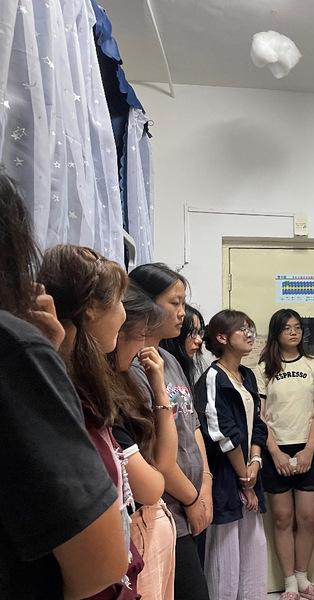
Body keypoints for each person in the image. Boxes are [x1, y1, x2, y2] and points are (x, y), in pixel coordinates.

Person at [0, 167, 128, 599]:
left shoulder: (46, 358)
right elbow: (103, 561)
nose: (126, 314)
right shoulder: (16, 349)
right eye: (120, 301)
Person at [38, 244, 144, 599]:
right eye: (119, 302)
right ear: (92, 310)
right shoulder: (62, 401)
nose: (124, 315)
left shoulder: (84, 391)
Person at [128, 263, 213, 600]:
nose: (182, 313)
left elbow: (192, 425)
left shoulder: (168, 358)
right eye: (174, 303)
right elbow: (153, 454)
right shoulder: (133, 368)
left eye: (183, 303)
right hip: (166, 512)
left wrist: (205, 483)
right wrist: (191, 498)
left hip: (193, 503)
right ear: (144, 304)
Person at [256, 308, 314, 600]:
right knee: (282, 518)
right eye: (287, 327)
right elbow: (260, 416)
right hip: (276, 449)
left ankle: (303, 579)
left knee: (308, 517)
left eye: (298, 327)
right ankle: (289, 584)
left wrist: (309, 449)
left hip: (308, 448)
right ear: (276, 332)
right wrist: (274, 451)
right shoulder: (264, 367)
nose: (293, 332)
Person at [194, 309, 269, 600]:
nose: (250, 335)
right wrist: (244, 479)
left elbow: (258, 424)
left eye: (251, 329)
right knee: (224, 558)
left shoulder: (247, 375)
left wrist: (255, 463)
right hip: (226, 477)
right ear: (222, 338)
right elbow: (221, 432)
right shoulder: (213, 377)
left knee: (253, 552)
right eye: (243, 329)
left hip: (249, 472)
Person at [112, 282, 180, 599]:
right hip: (137, 526)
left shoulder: (132, 377)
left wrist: (160, 391)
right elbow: (153, 485)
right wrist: (191, 496)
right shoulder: (101, 397)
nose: (144, 345)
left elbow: (163, 463)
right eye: (140, 334)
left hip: (151, 526)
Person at [161, 304, 206, 385]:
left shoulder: (180, 367)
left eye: (199, 333)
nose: (199, 340)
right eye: (193, 332)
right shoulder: (159, 368)